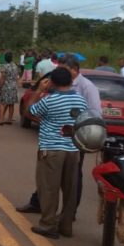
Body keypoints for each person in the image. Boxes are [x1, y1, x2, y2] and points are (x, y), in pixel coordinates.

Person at [16, 56, 102, 214]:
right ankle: (41, 205)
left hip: (71, 142)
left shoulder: (87, 88)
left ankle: (57, 218)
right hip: (65, 144)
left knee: (64, 182)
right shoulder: (65, 89)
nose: (59, 72)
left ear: (74, 70)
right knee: (49, 179)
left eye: (62, 69)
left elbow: (95, 115)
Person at [23, 67, 87, 239]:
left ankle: (48, 225)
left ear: (52, 82)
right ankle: (66, 225)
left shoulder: (49, 100)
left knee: (49, 188)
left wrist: (38, 91)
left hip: (51, 149)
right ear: (71, 81)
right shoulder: (80, 100)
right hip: (73, 150)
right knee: (70, 189)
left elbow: (28, 112)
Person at [0, 52, 20, 125]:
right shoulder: (15, 66)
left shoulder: (4, 66)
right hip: (13, 86)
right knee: (11, 104)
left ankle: (1, 119)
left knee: (1, 102)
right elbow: (17, 77)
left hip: (6, 86)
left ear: (5, 58)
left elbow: (3, 78)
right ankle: (9, 119)